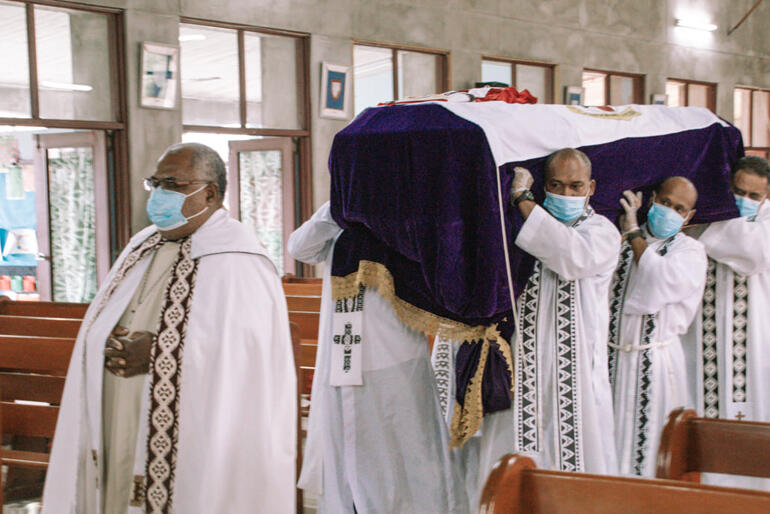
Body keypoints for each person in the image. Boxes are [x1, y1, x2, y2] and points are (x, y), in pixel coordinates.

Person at [42, 143, 297, 513]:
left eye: (173, 184)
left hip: (193, 420)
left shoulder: (238, 258)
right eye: (155, 183)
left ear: (209, 193)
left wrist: (161, 352)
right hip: (118, 402)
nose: (160, 194)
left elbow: (244, 357)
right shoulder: (142, 244)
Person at [290, 202, 468, 513]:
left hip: (393, 360)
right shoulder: (340, 215)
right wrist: (340, 207)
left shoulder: (405, 215)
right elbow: (301, 248)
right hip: (342, 360)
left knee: (402, 463)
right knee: (348, 461)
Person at [507, 148, 620, 474]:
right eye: (555, 186)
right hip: (527, 358)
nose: (565, 194)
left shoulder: (602, 231)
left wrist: (523, 199)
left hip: (577, 365)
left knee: (580, 451)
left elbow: (571, 256)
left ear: (591, 188)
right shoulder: (525, 227)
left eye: (575, 186)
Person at [609, 177, 706, 477]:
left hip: (656, 363)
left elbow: (657, 280)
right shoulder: (618, 242)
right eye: (665, 203)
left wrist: (634, 231)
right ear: (653, 199)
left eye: (680, 208)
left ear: (689, 216)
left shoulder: (690, 251)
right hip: (611, 358)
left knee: (650, 447)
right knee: (609, 442)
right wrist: (629, 233)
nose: (670, 211)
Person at [684, 155, 770, 490]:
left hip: (753, 346)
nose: (744, 201)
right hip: (700, 343)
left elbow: (754, 251)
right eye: (738, 192)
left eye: (754, 196)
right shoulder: (710, 215)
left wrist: (704, 226)